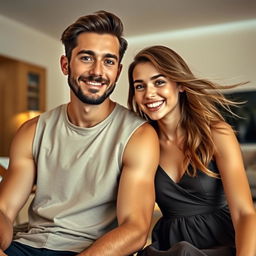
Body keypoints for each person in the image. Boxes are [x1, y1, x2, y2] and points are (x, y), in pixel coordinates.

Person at [0, 11, 160, 256]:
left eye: (108, 61)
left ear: (117, 71)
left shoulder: (138, 136)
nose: (97, 71)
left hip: (93, 251)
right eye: (86, 58)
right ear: (66, 64)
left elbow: (135, 229)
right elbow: (4, 210)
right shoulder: (31, 131)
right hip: (27, 246)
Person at [127, 45, 256, 256]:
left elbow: (244, 213)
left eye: (159, 82)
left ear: (180, 85)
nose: (149, 93)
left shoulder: (217, 133)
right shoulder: (142, 143)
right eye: (139, 86)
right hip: (169, 246)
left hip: (223, 242)